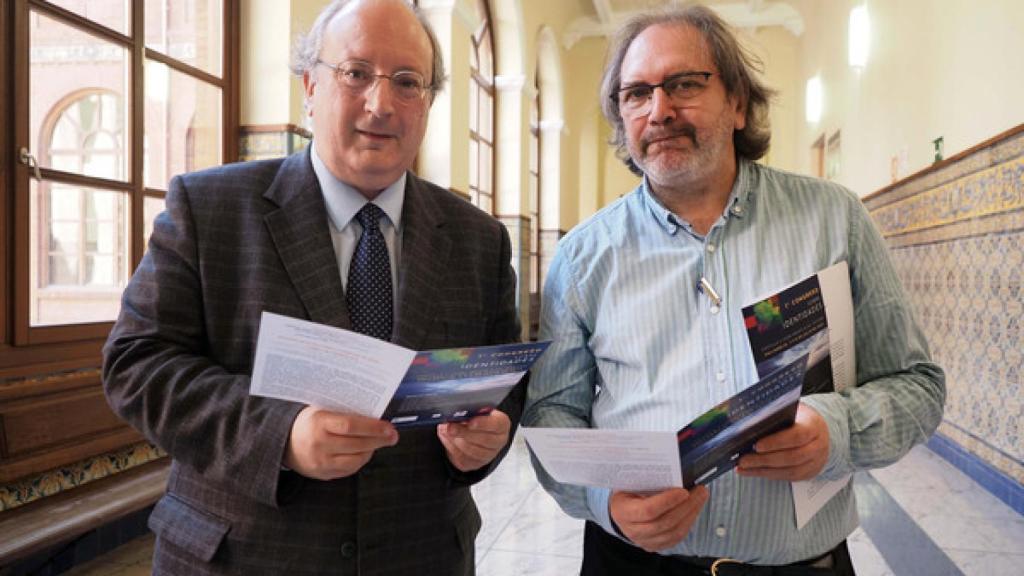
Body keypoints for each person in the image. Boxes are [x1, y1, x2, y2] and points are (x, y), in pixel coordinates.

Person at [522, 5, 945, 576]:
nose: (659, 110)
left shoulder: (833, 220)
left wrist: (837, 431)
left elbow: (918, 385)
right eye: (637, 93)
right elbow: (552, 414)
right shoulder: (582, 256)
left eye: (684, 84)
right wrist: (606, 502)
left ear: (738, 104)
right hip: (633, 562)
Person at [102, 1, 522, 574]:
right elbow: (136, 364)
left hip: (420, 554)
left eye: (407, 82)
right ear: (310, 87)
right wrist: (279, 435)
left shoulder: (480, 240)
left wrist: (486, 440)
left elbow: (503, 382)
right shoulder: (208, 208)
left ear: (426, 102)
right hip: (242, 557)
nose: (380, 103)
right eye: (356, 73)